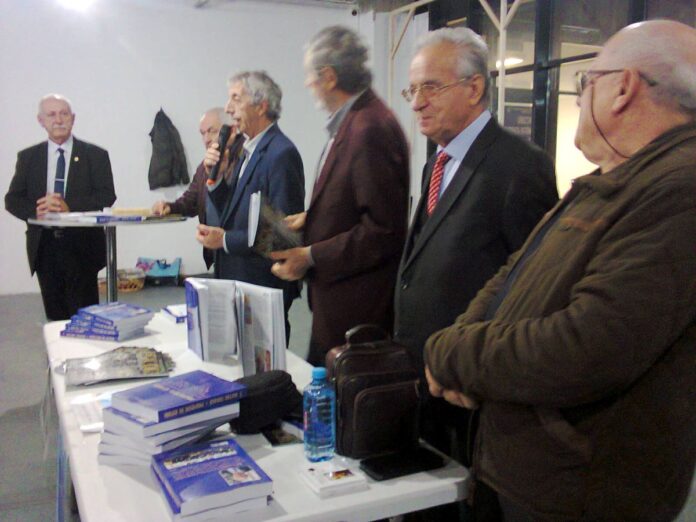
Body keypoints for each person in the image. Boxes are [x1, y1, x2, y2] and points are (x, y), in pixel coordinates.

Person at [425, 19, 696, 521]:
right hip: (529, 472)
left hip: (578, 493)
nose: (582, 94)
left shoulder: (678, 190)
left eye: (587, 81)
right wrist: (458, 341)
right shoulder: (612, 180)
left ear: (623, 88)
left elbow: (586, 346)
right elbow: (514, 273)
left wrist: (453, 354)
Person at [394, 27, 557, 469]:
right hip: (426, 377)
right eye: (412, 89)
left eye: (431, 87)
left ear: (474, 88)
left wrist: (478, 368)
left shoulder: (520, 167)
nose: (416, 103)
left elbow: (535, 288)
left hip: (472, 389)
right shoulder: (437, 162)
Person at [269, 26, 410, 366]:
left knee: (339, 394)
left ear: (329, 77)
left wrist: (310, 256)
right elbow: (357, 201)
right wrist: (313, 218)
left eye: (310, 76)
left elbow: (383, 230)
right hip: (339, 301)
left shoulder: (369, 128)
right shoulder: (356, 122)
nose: (308, 84)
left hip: (356, 309)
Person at [196, 71, 305, 335]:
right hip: (238, 280)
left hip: (262, 285)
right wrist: (216, 178)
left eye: (236, 98)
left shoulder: (280, 154)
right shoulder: (249, 150)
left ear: (261, 106)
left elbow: (280, 236)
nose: (228, 108)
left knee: (262, 363)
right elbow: (231, 213)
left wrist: (224, 240)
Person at [5, 94, 116, 320]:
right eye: (51, 115)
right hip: (44, 246)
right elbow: (12, 199)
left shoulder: (95, 155)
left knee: (85, 318)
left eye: (64, 114)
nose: (58, 120)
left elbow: (106, 195)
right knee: (56, 319)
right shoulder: (28, 157)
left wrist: (69, 206)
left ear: (73, 118)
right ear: (41, 121)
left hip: (82, 246)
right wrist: (35, 211)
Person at [152, 107, 244, 269]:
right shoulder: (204, 167)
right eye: (202, 133)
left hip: (241, 251)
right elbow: (190, 201)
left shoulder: (245, 160)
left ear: (232, 131)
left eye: (212, 131)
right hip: (216, 253)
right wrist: (170, 207)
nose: (206, 139)